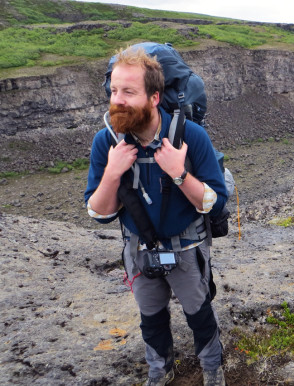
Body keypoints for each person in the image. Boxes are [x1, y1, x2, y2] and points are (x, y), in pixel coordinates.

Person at [84, 46, 228, 386]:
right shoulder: (106, 143)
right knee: (150, 318)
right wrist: (112, 173)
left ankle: (212, 369)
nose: (117, 100)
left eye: (129, 92)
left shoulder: (191, 137)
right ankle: (160, 371)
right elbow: (98, 212)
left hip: (188, 247)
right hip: (139, 249)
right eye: (114, 90)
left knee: (200, 314)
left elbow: (216, 202)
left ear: (153, 97)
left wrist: (179, 173)